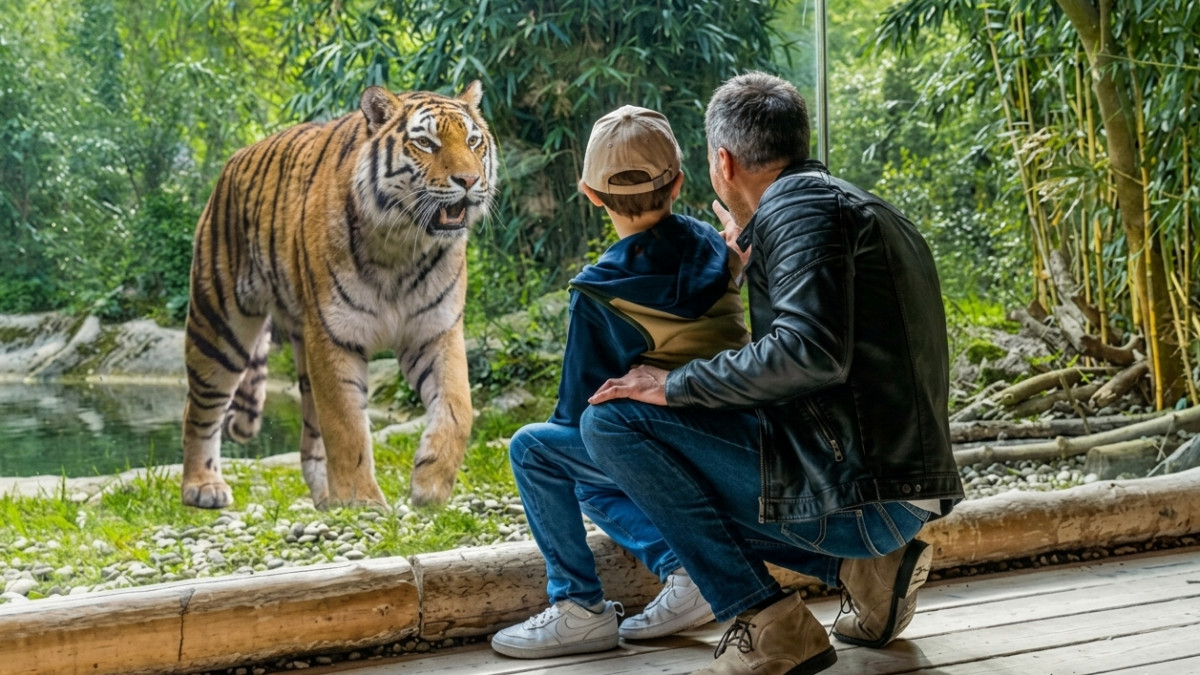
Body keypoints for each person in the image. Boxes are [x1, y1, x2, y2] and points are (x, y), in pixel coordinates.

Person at [581, 72, 966, 674]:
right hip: (896, 489)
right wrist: (757, 255)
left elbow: (808, 352)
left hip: (863, 498)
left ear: (723, 163)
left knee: (611, 426)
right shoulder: (849, 206)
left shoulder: (799, 210)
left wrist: (673, 383)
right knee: (671, 452)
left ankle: (767, 624)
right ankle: (867, 571)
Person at [490, 105, 751, 659]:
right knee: (587, 469)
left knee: (538, 450)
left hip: (672, 454)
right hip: (733, 441)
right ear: (680, 181)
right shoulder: (716, 245)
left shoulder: (601, 292)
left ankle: (578, 607)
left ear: (589, 193)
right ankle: (690, 572)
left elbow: (576, 416)